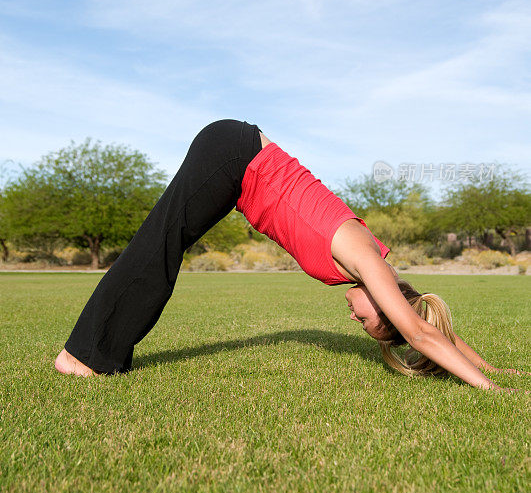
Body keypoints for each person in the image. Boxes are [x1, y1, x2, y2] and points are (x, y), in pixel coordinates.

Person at [55, 119, 524, 390]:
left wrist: (490, 365)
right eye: (365, 321)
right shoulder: (368, 262)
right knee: (161, 243)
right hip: (235, 155)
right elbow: (420, 332)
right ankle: (87, 355)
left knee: (164, 243)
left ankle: (94, 353)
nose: (355, 320)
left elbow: (425, 318)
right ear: (381, 301)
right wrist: (492, 390)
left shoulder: (378, 269)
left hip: (239, 164)